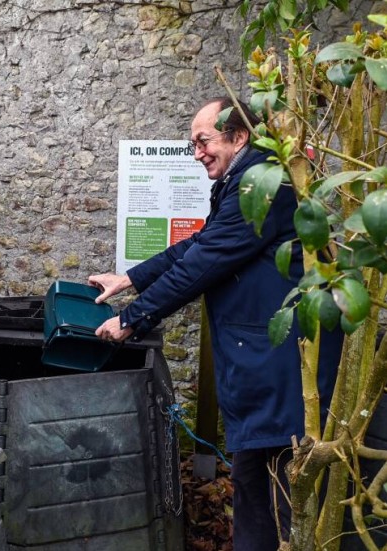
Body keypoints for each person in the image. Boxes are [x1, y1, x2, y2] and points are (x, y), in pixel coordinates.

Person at [88, 97, 342, 550]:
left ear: (238, 136)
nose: (198, 152)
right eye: (193, 144)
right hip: (265, 368)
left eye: (203, 141)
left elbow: (202, 263)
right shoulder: (247, 177)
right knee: (255, 484)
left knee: (279, 492)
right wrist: (129, 278)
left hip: (280, 371)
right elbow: (201, 243)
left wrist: (131, 319)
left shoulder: (261, 186)